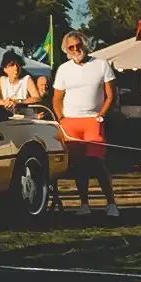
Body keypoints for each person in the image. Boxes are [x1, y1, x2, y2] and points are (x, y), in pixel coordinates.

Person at [52, 30, 119, 218]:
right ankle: (84, 205)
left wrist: (102, 114)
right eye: (71, 47)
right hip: (70, 122)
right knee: (79, 165)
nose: (76, 49)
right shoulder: (63, 69)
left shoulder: (101, 64)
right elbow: (57, 98)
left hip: (93, 121)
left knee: (97, 162)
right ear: (66, 50)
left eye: (78, 45)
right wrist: (61, 118)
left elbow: (111, 95)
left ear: (84, 44)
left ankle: (111, 204)